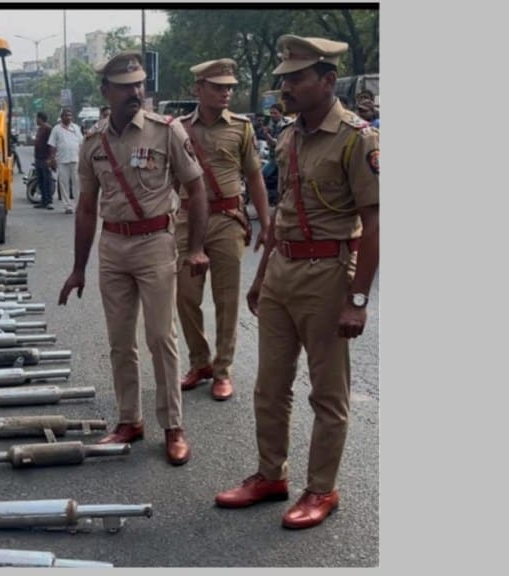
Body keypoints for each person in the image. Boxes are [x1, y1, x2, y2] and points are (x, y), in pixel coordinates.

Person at [214, 35, 379, 531]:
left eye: (296, 77)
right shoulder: (288, 135)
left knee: (328, 394)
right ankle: (270, 475)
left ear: (327, 82)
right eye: (284, 76)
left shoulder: (358, 138)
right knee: (270, 386)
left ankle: (321, 488)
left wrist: (357, 300)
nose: (285, 85)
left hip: (329, 275)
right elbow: (284, 213)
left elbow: (375, 224)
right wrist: (262, 276)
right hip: (284, 270)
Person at [57, 50, 210, 466]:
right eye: (126, 87)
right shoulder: (92, 142)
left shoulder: (167, 132)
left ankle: (173, 426)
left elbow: (197, 190)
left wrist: (195, 247)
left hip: (156, 244)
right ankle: (130, 420)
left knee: (162, 337)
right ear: (106, 91)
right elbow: (87, 207)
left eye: (139, 85)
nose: (136, 92)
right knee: (120, 342)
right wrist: (77, 268)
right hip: (113, 248)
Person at [175, 59, 272, 402]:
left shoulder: (241, 128)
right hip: (187, 222)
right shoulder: (179, 129)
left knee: (226, 299)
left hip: (228, 219)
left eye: (229, 87)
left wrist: (266, 222)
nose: (226, 92)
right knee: (185, 296)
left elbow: (256, 177)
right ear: (198, 89)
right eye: (218, 87)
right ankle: (199, 361)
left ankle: (222, 369)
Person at [47, 107, 84, 214]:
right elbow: (52, 145)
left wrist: (83, 156)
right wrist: (52, 158)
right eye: (66, 115)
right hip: (62, 160)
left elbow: (81, 143)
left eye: (70, 115)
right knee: (64, 184)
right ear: (62, 117)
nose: (68, 117)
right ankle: (67, 206)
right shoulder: (56, 129)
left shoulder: (76, 128)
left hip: (75, 159)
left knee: (77, 183)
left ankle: (78, 205)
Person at [32, 111, 55, 210]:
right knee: (40, 180)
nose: (36, 120)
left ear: (40, 118)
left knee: (47, 180)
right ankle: (43, 201)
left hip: (45, 158)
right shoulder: (40, 129)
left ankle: (49, 201)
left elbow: (51, 144)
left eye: (37, 118)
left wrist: (51, 158)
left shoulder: (48, 129)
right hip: (38, 158)